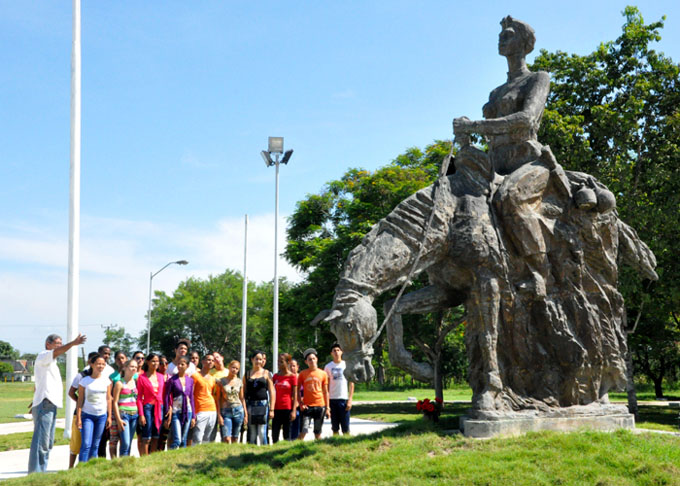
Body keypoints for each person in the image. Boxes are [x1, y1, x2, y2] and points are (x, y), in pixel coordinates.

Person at [453, 15, 565, 300]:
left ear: (525, 44)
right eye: (501, 34)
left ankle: (540, 273)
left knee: (510, 198)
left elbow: (525, 120)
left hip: (528, 163)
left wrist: (476, 126)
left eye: (510, 34)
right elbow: (489, 132)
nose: (502, 37)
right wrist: (464, 133)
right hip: (495, 163)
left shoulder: (538, 79)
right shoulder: (496, 92)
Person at [28, 332, 86, 474]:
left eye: (61, 343)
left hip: (48, 404)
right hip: (45, 404)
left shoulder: (50, 362)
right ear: (48, 344)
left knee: (47, 442)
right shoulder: (43, 355)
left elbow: (40, 383)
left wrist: (35, 399)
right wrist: (73, 343)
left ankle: (41, 471)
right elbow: (56, 352)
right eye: (57, 343)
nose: (59, 346)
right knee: (41, 441)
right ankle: (35, 473)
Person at [76, 353, 112, 463]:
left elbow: (108, 399)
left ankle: (92, 467)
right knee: (86, 443)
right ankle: (82, 467)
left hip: (101, 415)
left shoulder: (107, 381)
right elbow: (80, 400)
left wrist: (109, 416)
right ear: (92, 364)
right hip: (87, 415)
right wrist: (79, 418)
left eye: (103, 364)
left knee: (96, 444)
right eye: (98, 364)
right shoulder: (84, 381)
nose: (100, 366)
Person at [66, 352, 98, 469]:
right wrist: (81, 403)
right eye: (94, 361)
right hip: (81, 413)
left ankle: (91, 466)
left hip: (97, 413)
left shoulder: (101, 376)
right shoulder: (82, 376)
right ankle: (71, 467)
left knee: (93, 443)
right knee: (77, 443)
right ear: (90, 362)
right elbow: (71, 392)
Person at [163, 356, 195, 449]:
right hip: (176, 411)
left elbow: (191, 398)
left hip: (187, 411)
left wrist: (193, 416)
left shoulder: (190, 380)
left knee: (184, 439)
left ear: (187, 366)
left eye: (182, 364)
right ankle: (170, 454)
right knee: (177, 439)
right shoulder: (172, 380)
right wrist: (167, 411)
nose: (180, 366)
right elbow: (167, 396)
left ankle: (181, 459)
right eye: (178, 364)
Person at [298, 348, 329, 441]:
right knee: (303, 431)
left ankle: (318, 449)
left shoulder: (323, 373)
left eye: (313, 358)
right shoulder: (303, 374)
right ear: (306, 362)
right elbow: (297, 390)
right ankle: (297, 448)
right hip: (307, 406)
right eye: (309, 359)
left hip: (320, 405)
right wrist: (300, 403)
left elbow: (325, 391)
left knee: (317, 432)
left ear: (317, 359)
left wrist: (327, 408)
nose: (312, 361)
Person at [244, 350, 275, 445]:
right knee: (252, 432)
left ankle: (264, 453)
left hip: (263, 405)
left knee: (262, 432)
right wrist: (244, 409)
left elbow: (272, 391)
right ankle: (251, 454)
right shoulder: (247, 374)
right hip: (251, 405)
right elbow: (244, 392)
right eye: (256, 359)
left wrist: (272, 409)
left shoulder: (266, 373)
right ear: (252, 359)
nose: (258, 361)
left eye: (260, 359)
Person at [136, 353, 164, 455]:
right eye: (153, 361)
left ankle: (153, 457)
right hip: (147, 407)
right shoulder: (142, 377)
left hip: (159, 407)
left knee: (156, 434)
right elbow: (139, 397)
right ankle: (145, 458)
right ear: (147, 362)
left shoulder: (161, 377)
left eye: (157, 361)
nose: (155, 363)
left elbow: (164, 394)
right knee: (146, 435)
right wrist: (141, 414)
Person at [324, 343, 354, 436]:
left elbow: (351, 383)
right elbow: (326, 385)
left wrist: (350, 399)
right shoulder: (328, 367)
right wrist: (327, 404)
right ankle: (335, 442)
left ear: (342, 352)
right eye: (334, 351)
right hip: (332, 399)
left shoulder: (346, 365)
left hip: (343, 398)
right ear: (331, 353)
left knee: (345, 427)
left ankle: (346, 443)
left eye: (338, 350)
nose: (336, 352)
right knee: (335, 427)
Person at [215, 360, 247, 444]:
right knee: (226, 437)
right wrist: (219, 415)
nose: (234, 370)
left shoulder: (239, 382)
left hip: (238, 410)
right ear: (229, 367)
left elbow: (242, 398)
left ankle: (234, 455)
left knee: (235, 437)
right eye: (233, 367)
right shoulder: (221, 381)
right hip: (226, 411)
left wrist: (246, 414)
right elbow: (218, 398)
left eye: (237, 368)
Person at [112, 358, 139, 457]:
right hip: (124, 415)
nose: (134, 369)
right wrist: (118, 419)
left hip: (134, 415)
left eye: (135, 367)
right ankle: (121, 463)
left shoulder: (136, 382)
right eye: (131, 366)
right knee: (125, 442)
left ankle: (126, 462)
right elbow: (115, 402)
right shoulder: (119, 383)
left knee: (129, 443)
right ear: (125, 368)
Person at [191, 354, 218, 445]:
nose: (211, 362)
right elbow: (191, 394)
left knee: (207, 438)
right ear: (202, 361)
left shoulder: (213, 378)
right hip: (200, 410)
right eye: (208, 360)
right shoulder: (195, 376)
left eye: (212, 360)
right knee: (197, 438)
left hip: (212, 410)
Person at [106, 350, 128, 459]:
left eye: (123, 358)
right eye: (118, 358)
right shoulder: (112, 376)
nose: (121, 361)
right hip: (115, 409)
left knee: (125, 437)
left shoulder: (132, 375)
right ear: (115, 361)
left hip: (127, 408)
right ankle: (114, 460)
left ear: (126, 359)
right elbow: (109, 394)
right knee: (114, 437)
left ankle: (124, 459)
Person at [271, 353, 298, 443]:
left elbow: (295, 394)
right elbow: (271, 391)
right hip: (276, 409)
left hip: (287, 409)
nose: (279, 364)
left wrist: (294, 411)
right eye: (278, 362)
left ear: (288, 362)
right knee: (275, 434)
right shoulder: (275, 376)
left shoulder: (292, 377)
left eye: (281, 362)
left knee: (287, 434)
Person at [288, 359, 301, 440]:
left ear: (297, 367)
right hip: (289, 405)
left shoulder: (301, 377)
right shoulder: (286, 377)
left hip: (300, 406)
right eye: (290, 366)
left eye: (294, 366)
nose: (292, 368)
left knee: (299, 428)